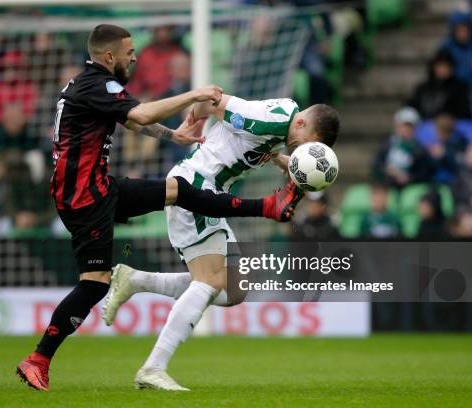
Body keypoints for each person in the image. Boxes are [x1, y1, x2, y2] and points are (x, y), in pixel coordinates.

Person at [15, 24, 307, 392]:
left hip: (99, 186)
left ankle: (141, 278)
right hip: (84, 197)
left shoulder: (88, 84)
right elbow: (139, 115)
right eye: (129, 51)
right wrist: (194, 95)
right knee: (93, 285)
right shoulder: (98, 85)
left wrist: (174, 135)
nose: (134, 56)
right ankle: (38, 359)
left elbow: (132, 121)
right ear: (109, 57)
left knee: (178, 191)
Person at [102, 92, 340, 390]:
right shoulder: (269, 119)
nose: (302, 151)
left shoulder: (285, 126)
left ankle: (135, 280)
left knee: (235, 289)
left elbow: (250, 144)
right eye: (306, 145)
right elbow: (214, 99)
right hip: (195, 186)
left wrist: (282, 160)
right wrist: (197, 115)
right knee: (212, 281)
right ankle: (153, 368)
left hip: (212, 190)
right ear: (303, 123)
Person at [371, 107, 433, 188]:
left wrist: (409, 177)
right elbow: (375, 165)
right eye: (403, 125)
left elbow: (424, 173)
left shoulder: (419, 149)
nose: (406, 129)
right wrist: (387, 171)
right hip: (387, 185)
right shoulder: (388, 144)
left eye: (410, 126)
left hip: (410, 188)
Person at [407, 50, 472, 120]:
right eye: (440, 66)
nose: (443, 70)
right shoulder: (423, 88)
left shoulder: (460, 88)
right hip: (423, 126)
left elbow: (463, 113)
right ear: (433, 67)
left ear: (452, 68)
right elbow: (411, 108)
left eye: (446, 66)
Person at [439, 11, 472, 86]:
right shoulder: (446, 47)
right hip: (452, 88)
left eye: (465, 30)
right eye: (459, 30)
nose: (462, 34)